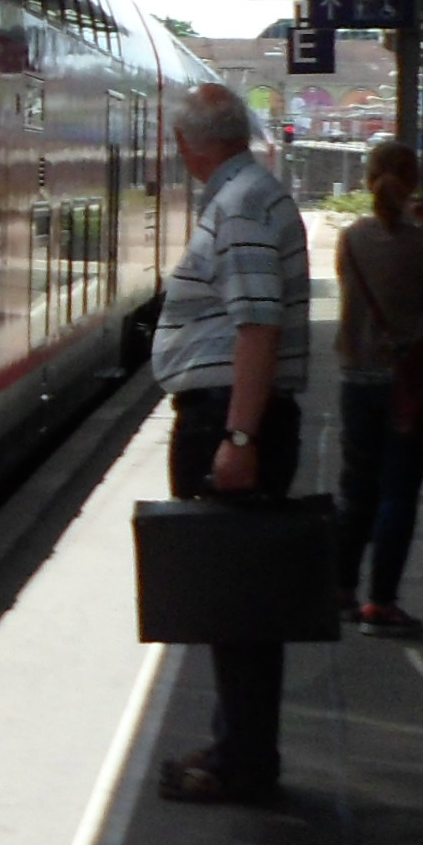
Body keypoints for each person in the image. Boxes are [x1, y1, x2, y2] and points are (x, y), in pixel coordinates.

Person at [152, 83, 311, 804]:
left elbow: (257, 326)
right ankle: (235, 749)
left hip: (229, 417)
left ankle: (243, 764)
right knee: (235, 601)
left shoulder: (241, 204)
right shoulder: (249, 194)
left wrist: (239, 438)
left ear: (190, 143)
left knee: (234, 602)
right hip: (233, 414)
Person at [331, 136, 423, 638]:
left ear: (368, 179)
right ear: (413, 182)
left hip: (355, 378)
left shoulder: (351, 239)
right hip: (408, 384)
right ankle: (382, 603)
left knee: (356, 488)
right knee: (398, 492)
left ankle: (341, 589)